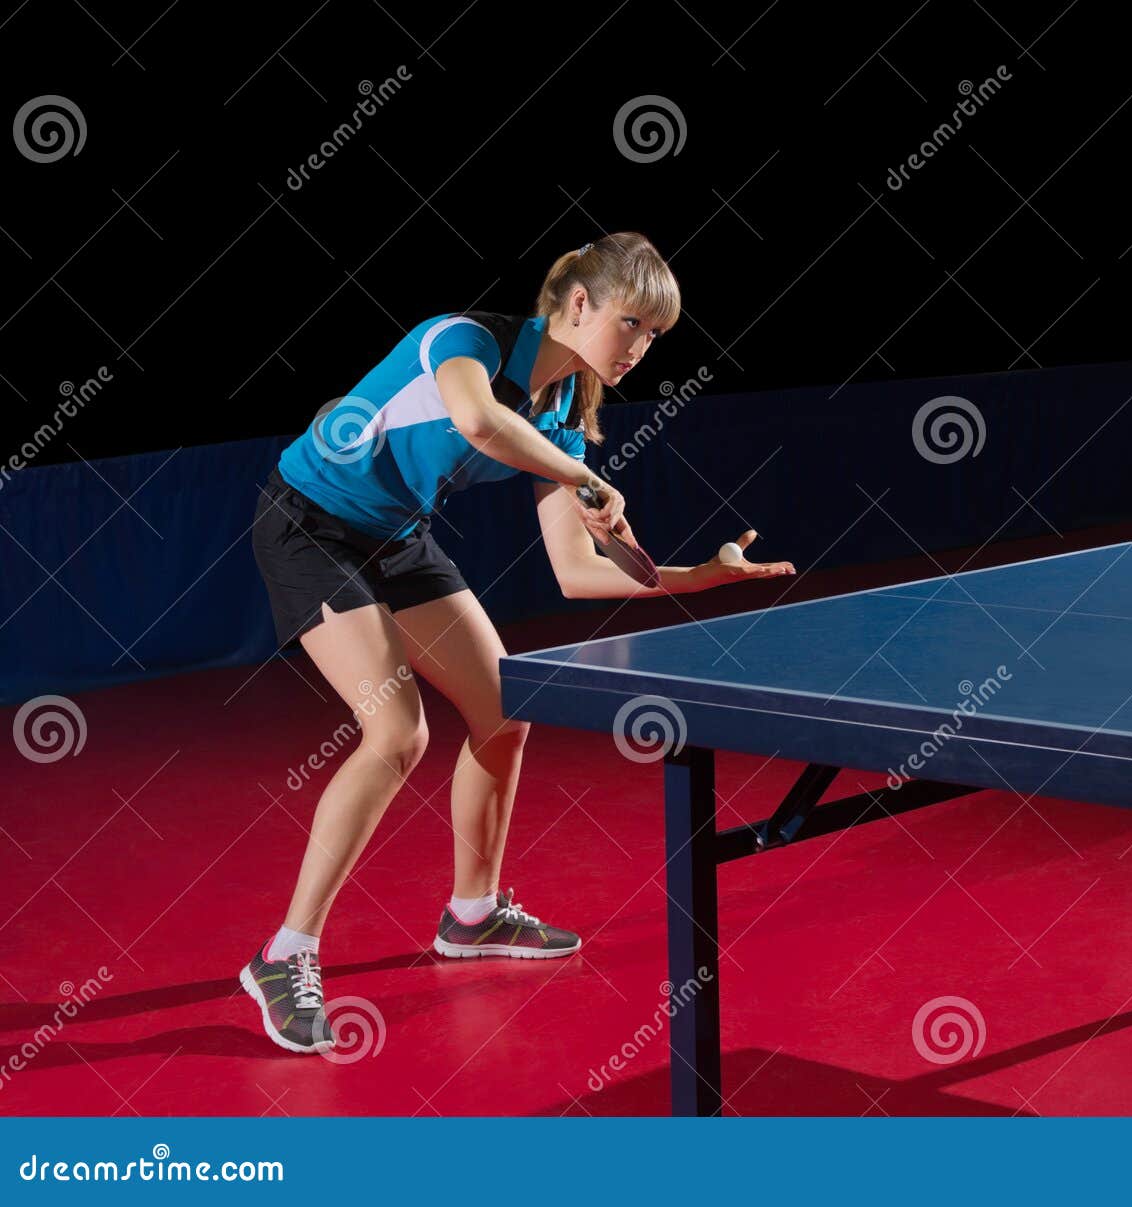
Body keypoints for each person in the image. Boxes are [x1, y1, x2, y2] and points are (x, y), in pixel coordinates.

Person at [240, 231, 795, 1053]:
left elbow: (578, 570)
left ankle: (472, 913)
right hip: (309, 522)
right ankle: (284, 954)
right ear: (578, 304)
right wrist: (584, 479)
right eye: (633, 325)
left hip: (392, 534)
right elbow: (477, 417)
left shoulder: (566, 416)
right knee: (398, 733)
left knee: (507, 707)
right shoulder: (463, 339)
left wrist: (699, 576)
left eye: (654, 337)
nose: (641, 348)